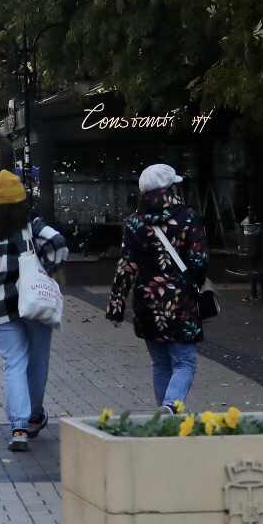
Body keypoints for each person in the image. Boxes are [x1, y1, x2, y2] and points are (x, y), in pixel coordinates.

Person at [0, 170, 66, 452]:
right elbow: (57, 243)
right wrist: (48, 269)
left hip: (1, 306)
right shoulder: (31, 225)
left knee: (14, 364)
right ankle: (34, 417)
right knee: (37, 363)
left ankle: (19, 427)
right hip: (35, 302)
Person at [106, 163, 209, 411]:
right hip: (180, 302)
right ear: (169, 188)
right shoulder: (189, 218)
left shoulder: (133, 223)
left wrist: (116, 306)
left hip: (147, 302)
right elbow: (199, 261)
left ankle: (166, 417)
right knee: (184, 362)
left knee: (160, 364)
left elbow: (127, 265)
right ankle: (171, 406)